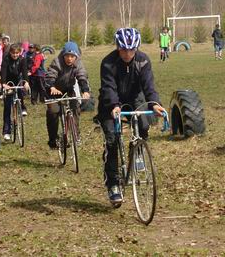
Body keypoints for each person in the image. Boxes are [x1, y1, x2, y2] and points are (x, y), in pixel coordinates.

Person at [96, 28, 166, 206]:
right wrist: (114, 106)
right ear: (118, 47)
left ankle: (137, 154)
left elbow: (149, 85)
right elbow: (108, 88)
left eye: (131, 50)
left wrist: (154, 104)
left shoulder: (143, 61)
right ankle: (113, 185)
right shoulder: (108, 63)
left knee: (143, 123)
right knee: (112, 140)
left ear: (136, 47)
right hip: (109, 103)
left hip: (135, 98)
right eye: (123, 50)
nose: (127, 54)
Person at [44, 41, 91, 149]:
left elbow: (82, 76)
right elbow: (50, 75)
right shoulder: (57, 62)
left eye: (72, 56)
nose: (69, 59)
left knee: (75, 109)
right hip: (54, 90)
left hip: (69, 90)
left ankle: (76, 135)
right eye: (67, 56)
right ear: (63, 55)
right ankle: (53, 139)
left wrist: (85, 91)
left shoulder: (78, 63)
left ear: (76, 56)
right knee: (53, 112)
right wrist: (51, 86)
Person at [0, 43, 30, 141]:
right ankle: (6, 131)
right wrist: (4, 84)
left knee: (20, 92)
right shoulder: (6, 59)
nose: (15, 55)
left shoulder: (22, 60)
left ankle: (22, 107)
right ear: (10, 53)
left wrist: (26, 82)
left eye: (17, 53)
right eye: (13, 53)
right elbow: (3, 72)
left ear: (20, 52)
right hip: (8, 82)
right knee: (7, 107)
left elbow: (25, 72)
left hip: (17, 80)